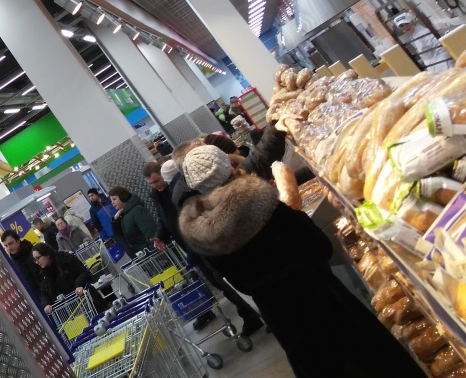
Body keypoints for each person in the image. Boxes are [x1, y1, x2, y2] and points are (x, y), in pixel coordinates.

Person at [177, 144, 421, 377]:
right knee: (369, 360)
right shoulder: (260, 202)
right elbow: (320, 247)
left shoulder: (202, 235)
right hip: (318, 297)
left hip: (279, 315)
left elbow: (240, 284)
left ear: (196, 185)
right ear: (228, 166)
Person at [143, 159, 263, 336]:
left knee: (228, 281)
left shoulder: (179, 192)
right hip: (193, 248)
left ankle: (255, 314)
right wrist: (161, 236)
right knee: (220, 284)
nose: (155, 185)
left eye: (157, 180)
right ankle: (251, 315)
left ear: (164, 175)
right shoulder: (157, 196)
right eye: (151, 183)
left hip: (202, 244)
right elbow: (165, 220)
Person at [31, 243, 100, 314]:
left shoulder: (66, 259)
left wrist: (79, 284)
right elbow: (44, 293)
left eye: (38, 258)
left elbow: (85, 273)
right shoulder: (44, 274)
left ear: (47, 254)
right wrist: (46, 304)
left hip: (90, 302)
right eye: (34, 260)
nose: (37, 262)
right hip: (72, 312)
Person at [107, 186, 157, 256]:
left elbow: (150, 231)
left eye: (114, 199)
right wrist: (115, 220)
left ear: (122, 197)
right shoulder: (123, 216)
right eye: (111, 201)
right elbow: (119, 234)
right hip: (142, 254)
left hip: (151, 253)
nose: (112, 203)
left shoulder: (137, 210)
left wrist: (155, 251)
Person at [0, 229, 42, 295]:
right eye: (6, 246)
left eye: (10, 244)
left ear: (18, 240)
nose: (9, 248)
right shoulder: (12, 263)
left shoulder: (33, 253)